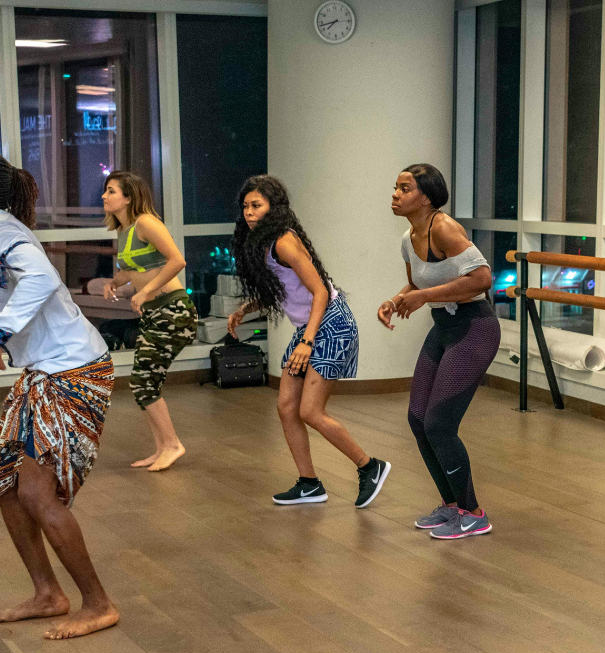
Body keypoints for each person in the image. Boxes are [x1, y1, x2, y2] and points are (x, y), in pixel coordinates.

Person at [0, 151, 119, 639]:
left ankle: (98, 603)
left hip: (75, 370)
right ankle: (48, 594)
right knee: (6, 485)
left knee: (36, 491)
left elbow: (39, 277)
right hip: (44, 371)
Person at [227, 175, 390, 507]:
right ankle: (309, 483)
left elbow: (319, 293)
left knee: (311, 411)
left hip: (331, 324)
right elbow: (288, 289)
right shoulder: (264, 242)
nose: (249, 212)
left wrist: (307, 341)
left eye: (256, 205)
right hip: (311, 327)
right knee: (287, 407)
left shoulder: (284, 241)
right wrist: (249, 306)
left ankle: (369, 466)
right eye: (245, 206)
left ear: (274, 207)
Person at [380, 164, 498, 540]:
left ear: (426, 196)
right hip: (444, 327)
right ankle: (452, 507)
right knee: (418, 419)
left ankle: (474, 514)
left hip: (474, 327)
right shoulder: (408, 238)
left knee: (439, 424)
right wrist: (396, 299)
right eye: (395, 187)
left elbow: (482, 279)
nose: (396, 194)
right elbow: (417, 282)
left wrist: (422, 297)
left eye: (405, 188)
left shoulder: (443, 228)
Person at [102, 171, 198, 471]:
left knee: (144, 381)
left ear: (128, 196)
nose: (104, 196)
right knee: (143, 383)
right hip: (156, 312)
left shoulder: (146, 222)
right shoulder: (125, 229)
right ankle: (162, 448)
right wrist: (115, 283)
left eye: (111, 191)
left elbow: (177, 261)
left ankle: (172, 445)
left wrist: (146, 292)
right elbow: (133, 268)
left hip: (173, 310)